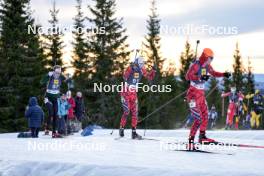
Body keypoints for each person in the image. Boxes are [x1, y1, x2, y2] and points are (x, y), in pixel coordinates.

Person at [185, 48, 231, 150]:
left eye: (212, 59)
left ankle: (202, 137)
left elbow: (214, 73)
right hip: (192, 95)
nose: (211, 60)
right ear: (205, 57)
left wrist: (224, 74)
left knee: (206, 115)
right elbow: (188, 76)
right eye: (210, 58)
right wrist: (199, 78)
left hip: (201, 94)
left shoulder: (207, 66)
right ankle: (190, 142)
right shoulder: (196, 65)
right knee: (198, 119)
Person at [119, 56, 156, 139]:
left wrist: (153, 70)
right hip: (125, 91)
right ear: (136, 63)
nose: (142, 66)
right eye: (141, 64)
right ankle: (121, 128)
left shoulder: (142, 69)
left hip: (133, 93)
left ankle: (134, 132)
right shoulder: (131, 67)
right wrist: (130, 69)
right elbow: (124, 77)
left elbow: (149, 77)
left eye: (142, 64)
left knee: (135, 113)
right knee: (126, 111)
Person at [41, 65, 72, 138]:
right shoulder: (50, 76)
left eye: (59, 71)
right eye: (57, 71)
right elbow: (42, 81)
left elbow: (68, 81)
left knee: (55, 114)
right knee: (51, 113)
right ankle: (47, 128)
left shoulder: (61, 76)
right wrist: (47, 75)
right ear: (54, 71)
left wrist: (69, 79)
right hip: (48, 97)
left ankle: (54, 132)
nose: (58, 73)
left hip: (56, 97)